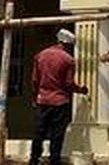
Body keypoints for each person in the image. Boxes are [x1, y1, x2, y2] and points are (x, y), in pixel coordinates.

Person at [30, 29, 88, 165]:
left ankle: (34, 159)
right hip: (60, 102)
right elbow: (68, 84)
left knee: (39, 132)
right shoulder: (68, 60)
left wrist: (34, 97)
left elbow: (34, 80)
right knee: (57, 134)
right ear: (68, 45)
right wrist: (81, 90)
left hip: (42, 100)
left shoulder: (40, 55)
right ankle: (54, 160)